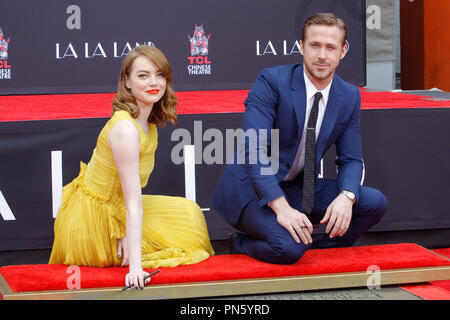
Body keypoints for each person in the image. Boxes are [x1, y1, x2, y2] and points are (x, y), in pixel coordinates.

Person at [211, 13, 387, 265]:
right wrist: (281, 208)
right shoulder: (272, 81)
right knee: (288, 248)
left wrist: (346, 196)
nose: (322, 55)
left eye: (331, 47)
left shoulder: (348, 95)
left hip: (300, 189)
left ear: (343, 51)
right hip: (253, 189)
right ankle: (238, 243)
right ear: (302, 47)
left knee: (373, 202)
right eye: (315, 45)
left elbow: (350, 158)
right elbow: (253, 149)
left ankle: (319, 250)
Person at [49, 45, 214, 289]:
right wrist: (136, 267)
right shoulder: (126, 129)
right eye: (143, 75)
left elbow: (129, 199)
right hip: (92, 221)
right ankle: (121, 253)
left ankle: (130, 240)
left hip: (117, 208)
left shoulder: (148, 122)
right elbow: (133, 202)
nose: (153, 82)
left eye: (160, 75)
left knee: (190, 214)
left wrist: (125, 229)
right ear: (126, 81)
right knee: (190, 236)